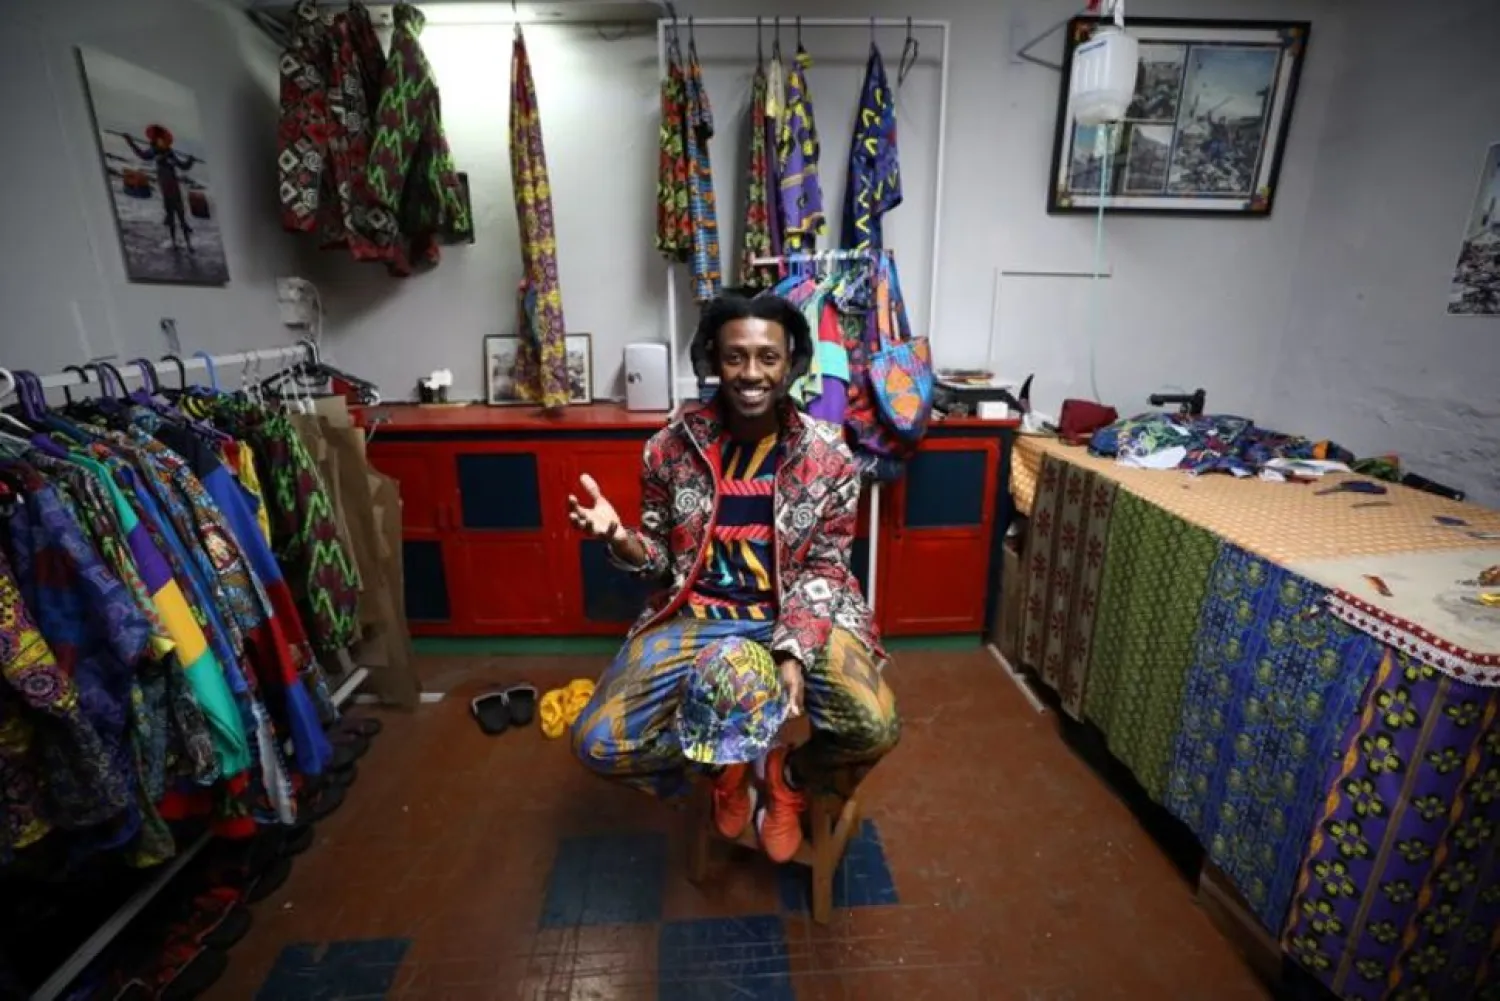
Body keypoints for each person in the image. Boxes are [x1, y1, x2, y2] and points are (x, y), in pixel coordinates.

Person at [567, 292, 900, 863]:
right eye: (735, 357)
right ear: (712, 361)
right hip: (695, 616)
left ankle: (787, 777)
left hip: (794, 613)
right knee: (597, 743)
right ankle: (720, 768)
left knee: (876, 725)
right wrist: (618, 537)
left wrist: (794, 649)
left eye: (767, 358)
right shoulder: (669, 449)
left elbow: (825, 565)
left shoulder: (828, 456)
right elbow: (659, 563)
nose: (751, 374)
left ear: (791, 362)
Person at [122, 124, 199, 249]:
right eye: (160, 139)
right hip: (165, 187)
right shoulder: (153, 151)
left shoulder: (170, 152)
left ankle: (188, 243)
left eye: (163, 139)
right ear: (156, 140)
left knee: (181, 215)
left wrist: (190, 161)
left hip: (174, 187)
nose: (162, 141)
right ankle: (174, 242)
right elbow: (142, 155)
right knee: (171, 215)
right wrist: (130, 142)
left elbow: (183, 166)